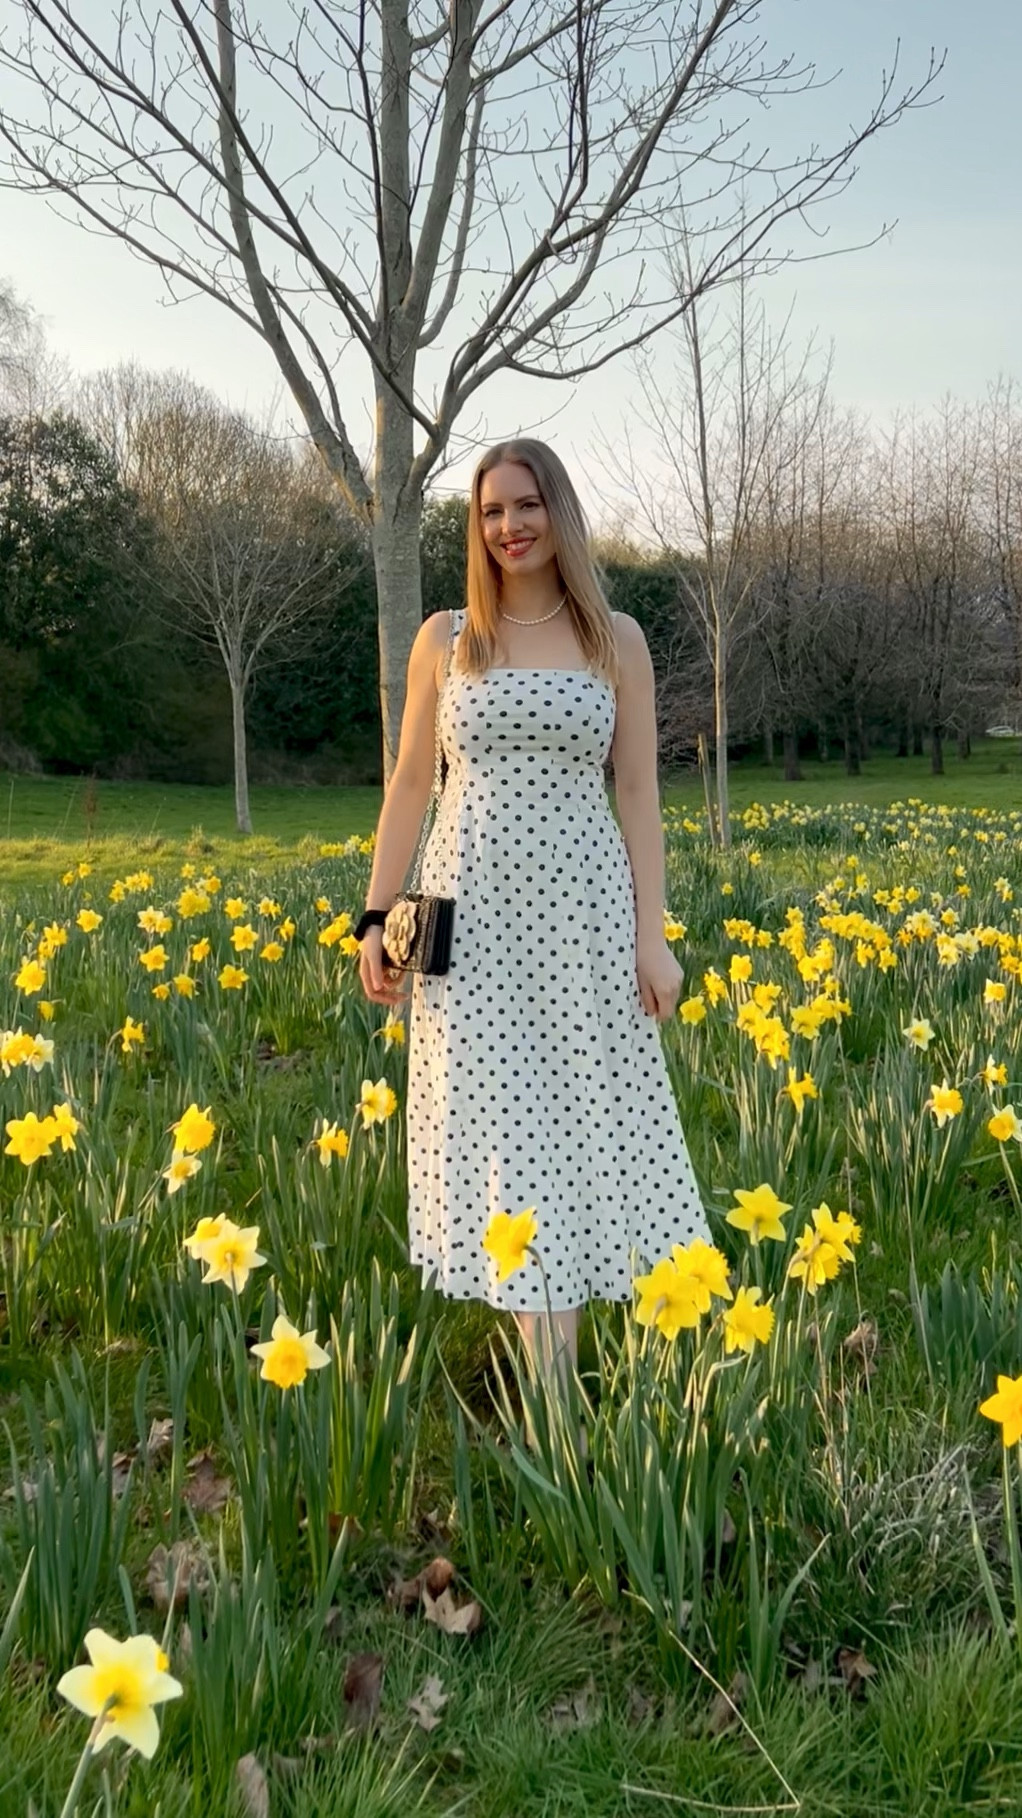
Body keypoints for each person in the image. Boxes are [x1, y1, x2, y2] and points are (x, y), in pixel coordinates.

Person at [357, 437, 711, 1398]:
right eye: (489, 511)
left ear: (558, 510)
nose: (508, 526)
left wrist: (653, 935)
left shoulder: (615, 641)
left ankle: (557, 1372)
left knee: (574, 1123)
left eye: (525, 505)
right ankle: (550, 1379)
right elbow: (408, 787)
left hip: (581, 925)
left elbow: (637, 792)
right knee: (498, 1132)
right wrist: (372, 917)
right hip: (467, 922)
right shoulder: (445, 639)